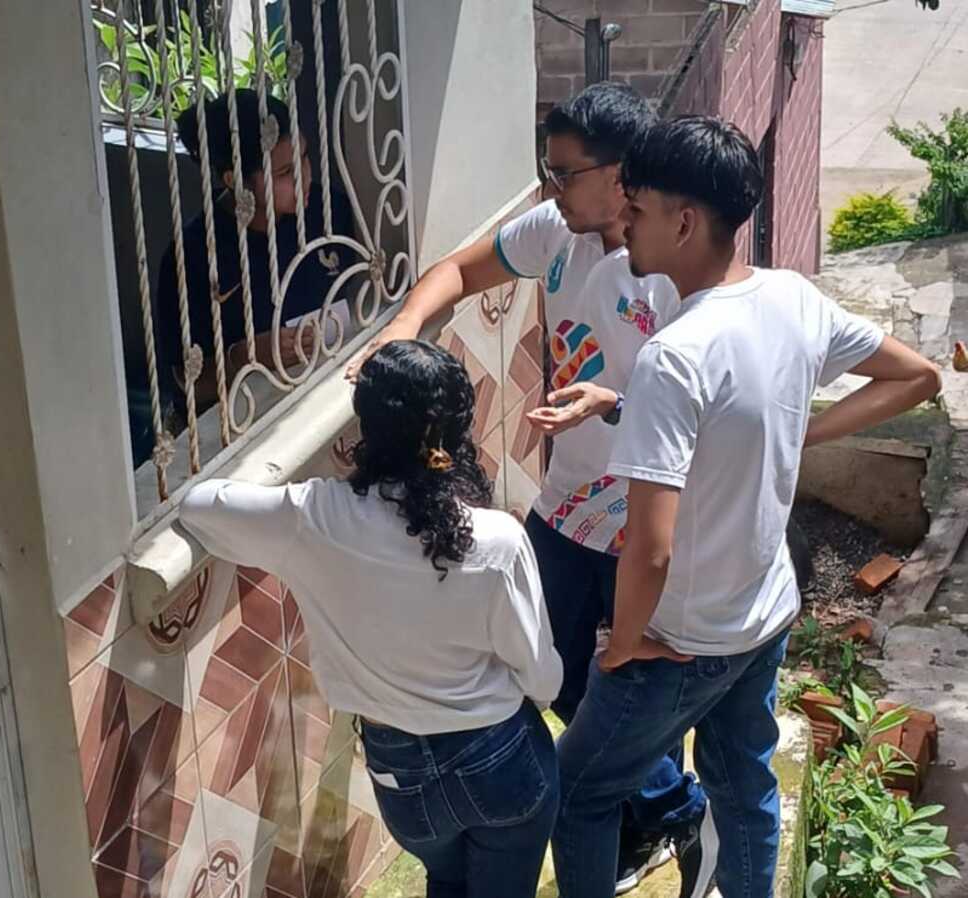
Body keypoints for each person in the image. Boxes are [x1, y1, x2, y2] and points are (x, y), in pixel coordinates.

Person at [551, 116, 943, 898]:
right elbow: (918, 375)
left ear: (685, 221)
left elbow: (650, 548)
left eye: (638, 209)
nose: (623, 223)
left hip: (683, 639)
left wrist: (625, 644)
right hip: (764, 615)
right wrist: (805, 430)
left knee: (579, 793)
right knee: (745, 792)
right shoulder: (792, 298)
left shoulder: (674, 357)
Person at [346, 82, 710, 895]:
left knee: (629, 679)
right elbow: (455, 270)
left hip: (648, 516)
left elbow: (706, 406)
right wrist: (402, 331)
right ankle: (663, 804)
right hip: (569, 503)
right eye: (544, 172)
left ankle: (664, 805)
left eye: (563, 174)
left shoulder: (674, 272)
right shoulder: (556, 233)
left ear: (621, 177)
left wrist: (614, 404)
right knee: (549, 667)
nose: (548, 189)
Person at [180, 340, 563, 898]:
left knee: (446, 881)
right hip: (499, 760)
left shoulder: (312, 518)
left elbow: (198, 504)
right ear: (456, 432)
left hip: (401, 780)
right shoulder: (497, 541)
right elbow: (543, 679)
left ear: (366, 427)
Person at [130, 89, 352, 465]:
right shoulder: (195, 256)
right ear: (234, 179)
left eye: (305, 156)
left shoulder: (327, 209)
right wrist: (243, 357)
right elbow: (187, 387)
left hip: (325, 401)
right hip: (243, 431)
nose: (305, 176)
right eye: (284, 172)